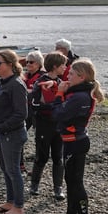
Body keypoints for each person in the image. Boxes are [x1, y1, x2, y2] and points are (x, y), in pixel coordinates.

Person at [48, 59, 104, 214]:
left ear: (82, 76)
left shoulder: (80, 96)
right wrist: (60, 92)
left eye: (71, 73)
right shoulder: (77, 93)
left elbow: (58, 114)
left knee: (76, 183)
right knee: (69, 180)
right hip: (71, 141)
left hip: (76, 143)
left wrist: (58, 94)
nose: (68, 75)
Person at [0, 50, 28, 214]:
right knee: (5, 168)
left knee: (13, 170)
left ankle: (18, 207)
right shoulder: (3, 82)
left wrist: (3, 127)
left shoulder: (16, 85)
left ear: (10, 65)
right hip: (2, 132)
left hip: (12, 133)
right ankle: (10, 201)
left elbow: (22, 113)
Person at [30, 52, 68, 200]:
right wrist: (53, 106)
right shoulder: (40, 82)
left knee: (58, 157)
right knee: (42, 156)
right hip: (43, 124)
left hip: (58, 126)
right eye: (63, 65)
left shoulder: (60, 83)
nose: (65, 68)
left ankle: (58, 188)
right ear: (54, 66)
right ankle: (34, 184)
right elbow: (34, 104)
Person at [21, 50, 45, 175]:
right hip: (26, 110)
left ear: (39, 64)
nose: (28, 64)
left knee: (39, 140)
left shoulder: (43, 77)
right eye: (27, 62)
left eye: (32, 62)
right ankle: (20, 165)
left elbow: (37, 94)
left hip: (38, 112)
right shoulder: (25, 76)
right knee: (20, 137)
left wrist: (28, 93)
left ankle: (37, 167)